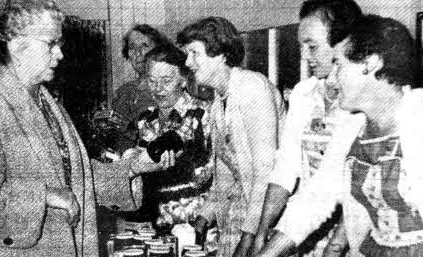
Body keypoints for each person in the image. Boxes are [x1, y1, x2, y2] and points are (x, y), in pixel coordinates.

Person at [256, 14, 423, 257]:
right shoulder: (352, 126)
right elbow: (315, 199)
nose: (333, 77)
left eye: (340, 65)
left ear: (371, 63)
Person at [0, 1, 100, 256]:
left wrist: (131, 169)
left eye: (60, 44)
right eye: (51, 44)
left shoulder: (44, 99)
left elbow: (72, 177)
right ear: (17, 46)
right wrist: (43, 195)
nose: (60, 54)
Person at [253, 1, 362, 256]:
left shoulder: (362, 101)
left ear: (343, 43)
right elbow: (285, 169)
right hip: (304, 226)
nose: (304, 55)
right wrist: (261, 233)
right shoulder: (304, 94)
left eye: (312, 46)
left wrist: (336, 245)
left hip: (355, 236)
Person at [177, 16, 286, 257]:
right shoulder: (219, 100)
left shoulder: (252, 88)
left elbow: (265, 169)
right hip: (244, 209)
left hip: (270, 213)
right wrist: (206, 215)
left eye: (194, 53)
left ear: (221, 54)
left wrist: (250, 234)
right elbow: (226, 171)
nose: (188, 62)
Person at [122, 43, 213, 222]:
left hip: (193, 222)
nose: (158, 89)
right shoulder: (145, 119)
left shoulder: (203, 113)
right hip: (155, 222)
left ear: (183, 80)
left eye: (166, 81)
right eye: (152, 81)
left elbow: (216, 175)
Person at [111, 24, 173, 153]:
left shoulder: (167, 90)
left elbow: (169, 139)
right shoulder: (123, 91)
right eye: (132, 47)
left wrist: (130, 131)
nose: (138, 53)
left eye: (144, 46)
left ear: (158, 50)